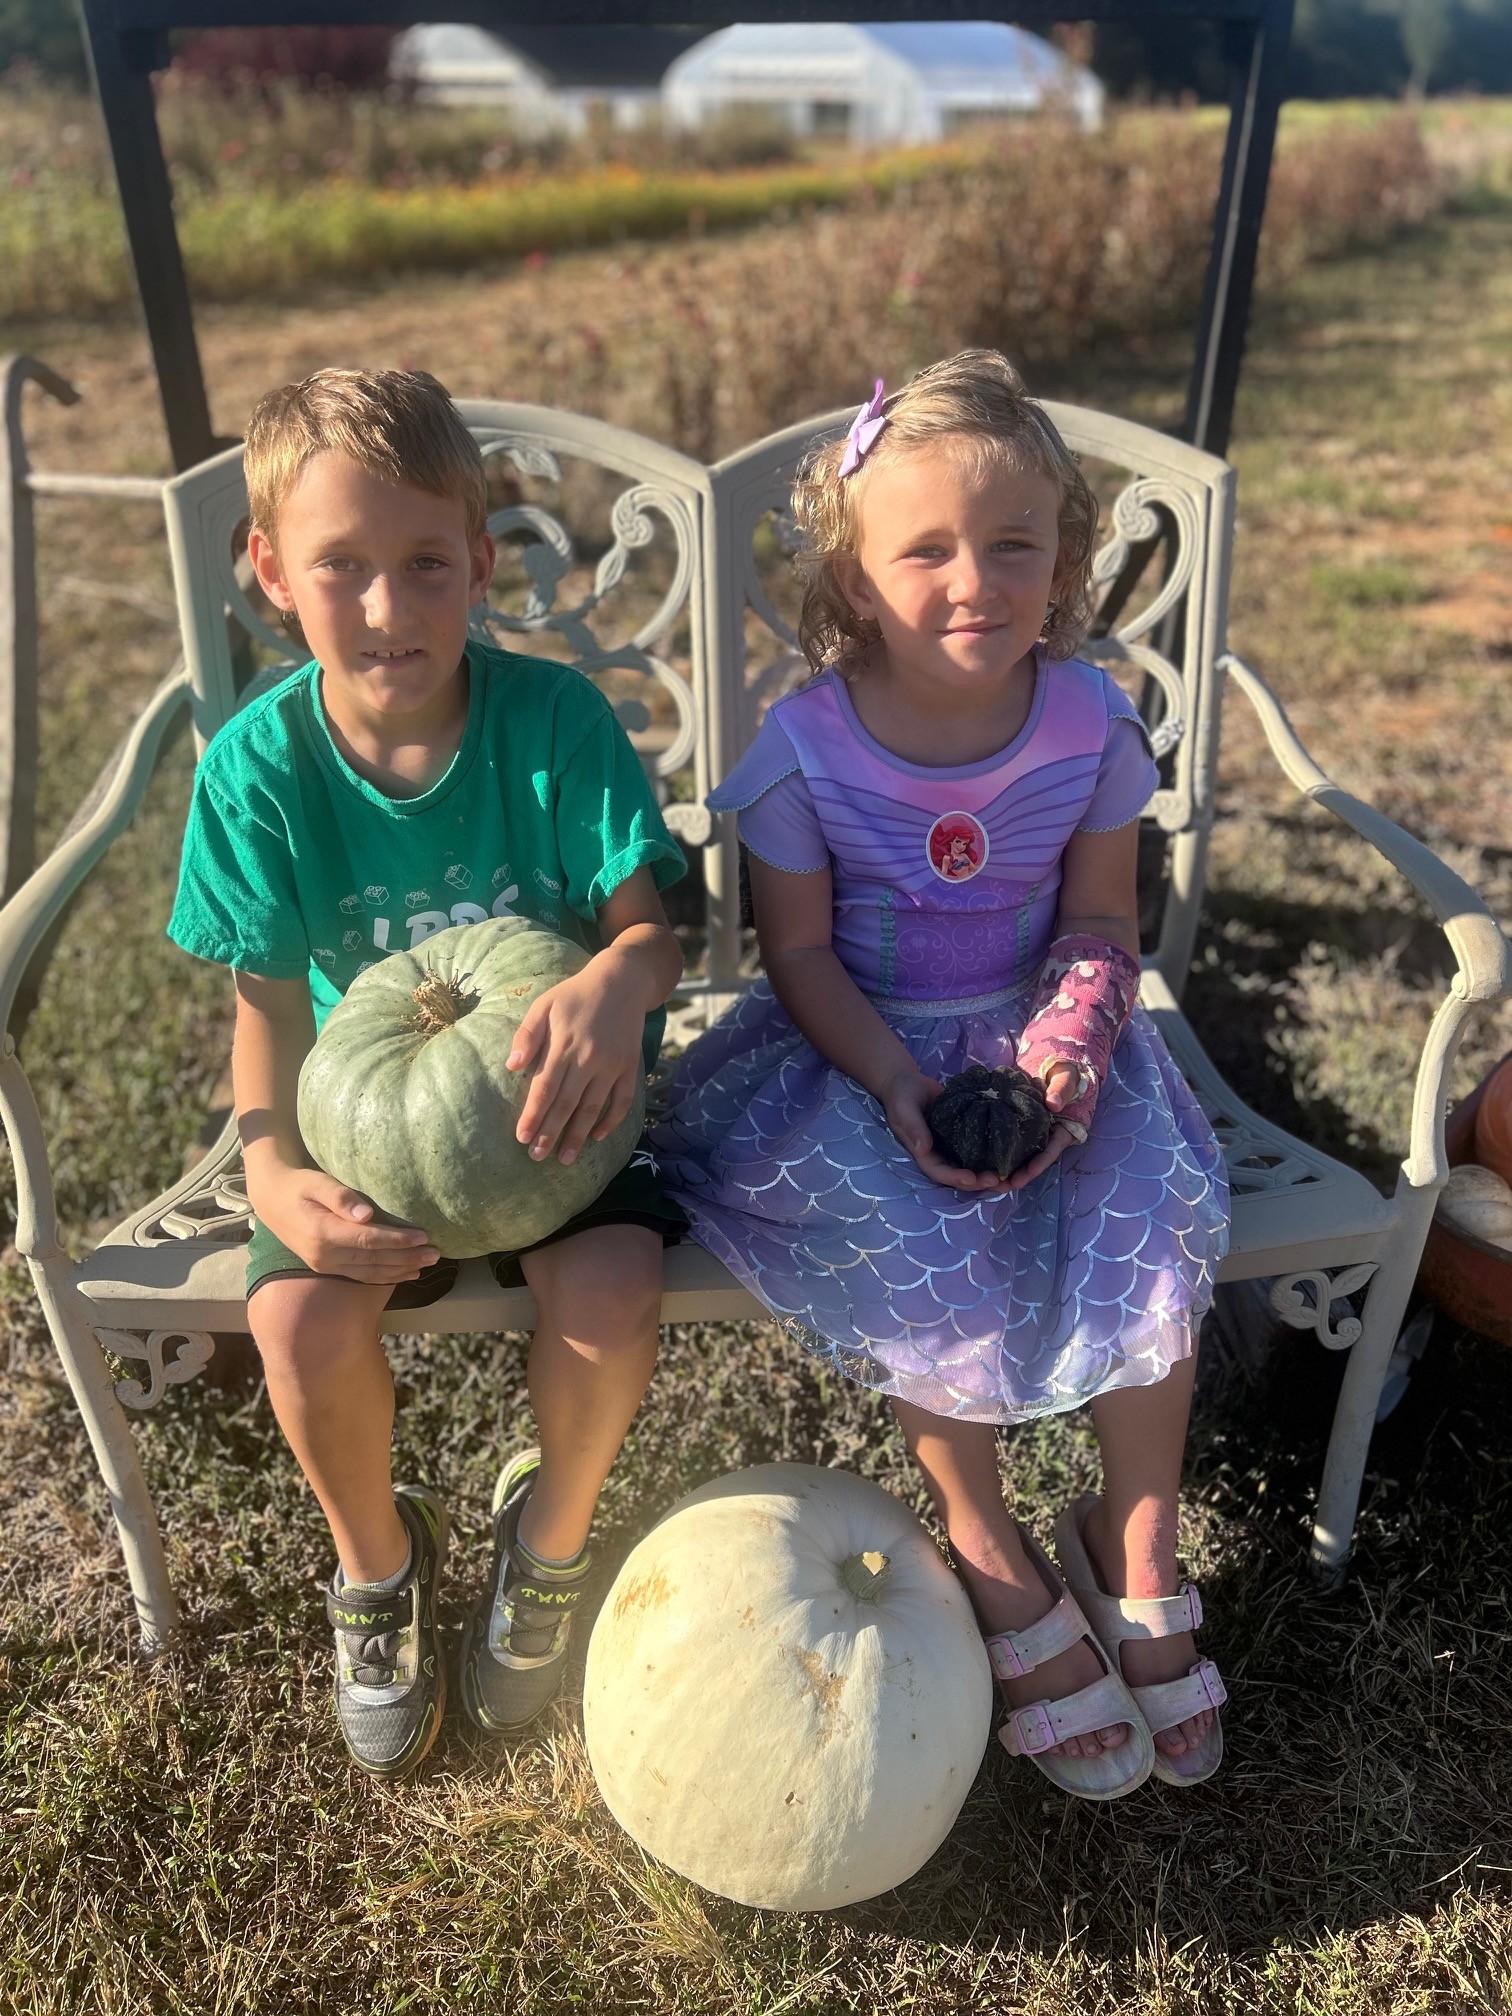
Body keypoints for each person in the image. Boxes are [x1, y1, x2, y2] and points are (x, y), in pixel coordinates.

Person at [653, 353, 1230, 1801]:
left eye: (1014, 545)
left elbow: (1102, 922)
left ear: (1065, 561)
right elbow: (798, 958)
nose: (974, 580)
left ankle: (1136, 1545)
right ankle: (987, 1543)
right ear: (853, 580)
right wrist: (904, 1086)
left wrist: (1061, 1061)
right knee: (931, 1251)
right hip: (853, 1051)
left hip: (1050, 1034)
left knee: (1144, 1225)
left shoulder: (1088, 725)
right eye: (923, 550)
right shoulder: (804, 751)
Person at [168, 368, 686, 1778]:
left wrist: (615, 981)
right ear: (272, 571)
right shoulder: (258, 771)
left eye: (423, 566)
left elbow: (653, 931)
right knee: (300, 1330)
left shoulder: (555, 727)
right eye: (345, 568)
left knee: (611, 1292)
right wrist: (274, 1168)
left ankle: (551, 1545)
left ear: (482, 562)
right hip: (362, 1129)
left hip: (557, 1111)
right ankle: (378, 1572)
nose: (389, 608)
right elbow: (267, 1010)